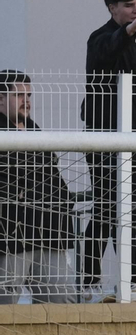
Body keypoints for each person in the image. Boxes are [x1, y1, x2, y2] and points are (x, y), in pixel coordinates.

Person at [82, 0, 136, 301]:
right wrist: (128, 32)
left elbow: (132, 86)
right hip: (105, 137)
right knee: (105, 209)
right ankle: (89, 284)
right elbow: (106, 53)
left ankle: (133, 282)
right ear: (112, 8)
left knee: (133, 213)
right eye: (129, 5)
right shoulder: (100, 37)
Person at [0, 72, 78, 304]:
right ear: (1, 99)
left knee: (62, 304)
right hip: (11, 236)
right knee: (6, 307)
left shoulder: (36, 132)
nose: (27, 101)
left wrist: (64, 202)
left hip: (49, 233)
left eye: (29, 95)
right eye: (19, 95)